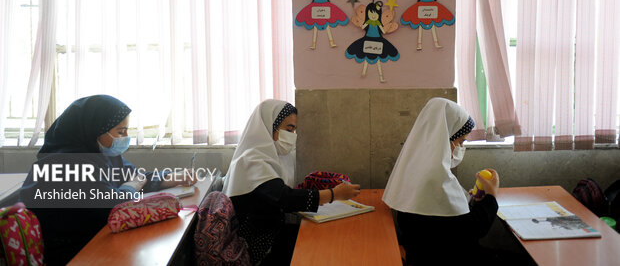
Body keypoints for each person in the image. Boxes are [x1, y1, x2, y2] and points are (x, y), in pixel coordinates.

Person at [19, 95, 194, 265]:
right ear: (95, 129)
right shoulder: (65, 163)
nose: (126, 136)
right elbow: (112, 206)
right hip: (69, 250)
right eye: (120, 131)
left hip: (95, 234)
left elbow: (134, 176)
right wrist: (131, 187)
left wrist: (169, 177)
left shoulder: (101, 153)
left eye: (127, 130)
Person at [223, 99, 360, 265]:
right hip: (256, 245)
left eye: (294, 130)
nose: (292, 136)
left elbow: (279, 194)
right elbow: (284, 198)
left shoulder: (271, 155)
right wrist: (334, 194)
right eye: (289, 129)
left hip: (272, 233)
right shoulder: (251, 159)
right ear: (269, 126)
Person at [382, 97, 499, 266]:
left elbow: (447, 223)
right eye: (460, 141)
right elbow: (472, 229)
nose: (461, 147)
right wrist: (491, 196)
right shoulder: (436, 179)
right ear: (444, 139)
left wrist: (472, 202)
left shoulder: (413, 169)